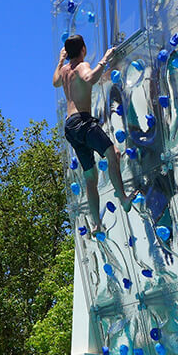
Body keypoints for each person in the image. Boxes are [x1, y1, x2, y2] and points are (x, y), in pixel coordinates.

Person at [53, 34, 132, 229]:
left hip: (70, 127)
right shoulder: (81, 66)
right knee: (113, 153)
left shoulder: (64, 70)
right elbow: (90, 78)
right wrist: (104, 59)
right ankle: (123, 198)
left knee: (90, 176)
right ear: (83, 50)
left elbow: (55, 82)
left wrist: (60, 60)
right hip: (83, 121)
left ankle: (96, 224)